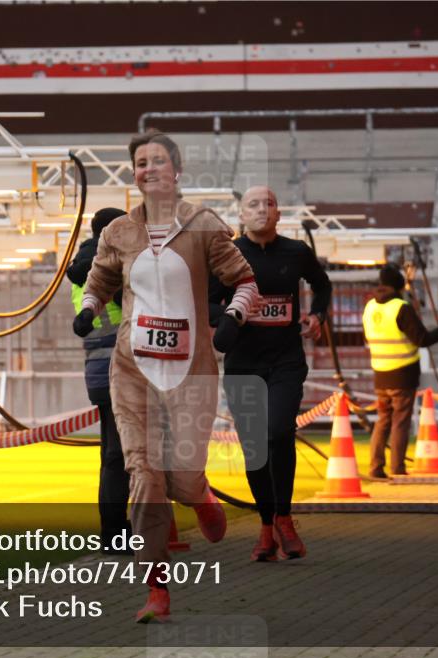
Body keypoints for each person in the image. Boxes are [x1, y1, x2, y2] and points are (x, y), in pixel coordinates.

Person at [74, 129, 260, 623]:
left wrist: (234, 320)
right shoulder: (119, 233)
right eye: (140, 162)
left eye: (158, 161)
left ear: (176, 171)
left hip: (191, 372)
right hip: (131, 370)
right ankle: (156, 590)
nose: (148, 169)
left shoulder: (202, 224)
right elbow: (99, 278)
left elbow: (244, 281)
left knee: (179, 478)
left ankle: (199, 495)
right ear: (133, 174)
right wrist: (89, 308)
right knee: (143, 474)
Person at [209, 186, 331, 562]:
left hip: (285, 362)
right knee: (254, 449)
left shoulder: (296, 252)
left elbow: (322, 284)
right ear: (241, 215)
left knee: (279, 432)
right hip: (243, 365)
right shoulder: (228, 255)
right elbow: (208, 300)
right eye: (254, 205)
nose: (263, 209)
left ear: (279, 214)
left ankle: (284, 517)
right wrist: (228, 319)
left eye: (270, 204)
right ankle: (266, 526)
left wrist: (317, 315)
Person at [67, 207, 131, 554]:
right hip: (125, 365)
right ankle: (116, 534)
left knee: (114, 453)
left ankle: (117, 529)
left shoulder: (82, 267)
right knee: (121, 455)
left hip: (98, 367)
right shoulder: (111, 266)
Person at [363, 263, 438, 479]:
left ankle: (375, 467)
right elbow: (423, 339)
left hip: (380, 373)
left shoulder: (370, 307)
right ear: (399, 286)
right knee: (400, 422)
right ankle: (397, 468)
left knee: (383, 421)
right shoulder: (400, 307)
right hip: (402, 374)